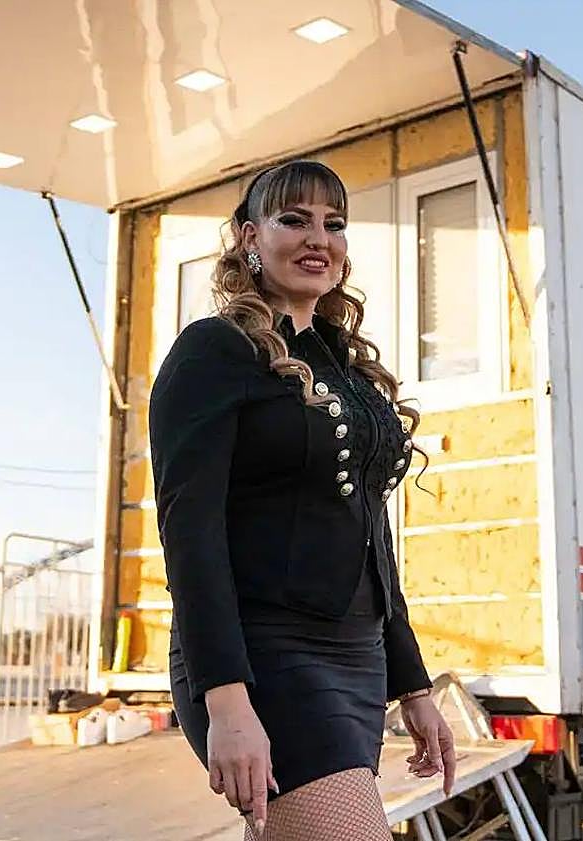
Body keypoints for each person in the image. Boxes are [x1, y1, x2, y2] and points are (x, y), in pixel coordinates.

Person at [149, 160, 455, 840]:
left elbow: (373, 536)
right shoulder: (212, 351)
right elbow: (189, 535)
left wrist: (413, 687)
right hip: (266, 659)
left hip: (355, 657)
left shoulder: (346, 369)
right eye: (294, 219)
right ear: (249, 237)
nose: (318, 238)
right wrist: (225, 700)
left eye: (333, 224)